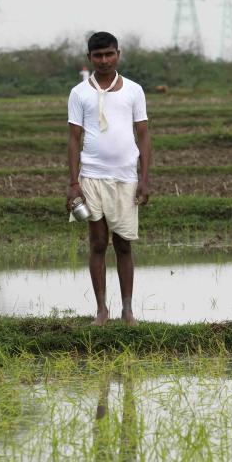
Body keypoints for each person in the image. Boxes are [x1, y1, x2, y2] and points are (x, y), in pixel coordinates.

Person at [67, 32, 152, 325]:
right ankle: (102, 309)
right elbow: (73, 139)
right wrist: (73, 182)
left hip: (126, 177)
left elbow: (143, 134)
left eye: (109, 54)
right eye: (98, 56)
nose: (104, 61)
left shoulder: (134, 90)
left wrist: (145, 178)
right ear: (89, 58)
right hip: (90, 176)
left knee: (124, 243)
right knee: (98, 242)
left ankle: (127, 310)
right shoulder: (79, 93)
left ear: (118, 54)